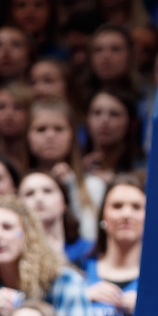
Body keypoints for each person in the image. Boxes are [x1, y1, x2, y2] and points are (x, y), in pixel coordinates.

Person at [27, 98, 104, 240]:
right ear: (27, 135)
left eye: (59, 129)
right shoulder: (18, 184)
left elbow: (90, 238)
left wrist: (70, 187)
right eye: (41, 129)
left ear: (72, 135)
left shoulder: (94, 185)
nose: (50, 135)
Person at [85, 175, 145, 316]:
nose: (126, 214)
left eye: (136, 207)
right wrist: (81, 298)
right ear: (103, 215)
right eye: (117, 206)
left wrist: (149, 310)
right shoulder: (78, 272)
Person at [18, 170, 92, 266]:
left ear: (64, 202)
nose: (39, 198)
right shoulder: (16, 254)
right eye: (29, 193)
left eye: (48, 191)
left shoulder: (89, 251)